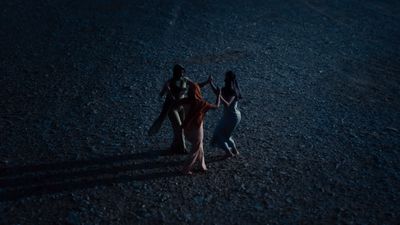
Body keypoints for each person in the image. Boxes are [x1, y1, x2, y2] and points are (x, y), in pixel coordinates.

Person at [148, 64, 211, 155]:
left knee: (181, 128)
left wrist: (207, 82)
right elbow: (161, 94)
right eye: (179, 72)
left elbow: (195, 86)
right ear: (175, 72)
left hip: (181, 107)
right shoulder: (169, 82)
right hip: (172, 108)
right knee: (179, 127)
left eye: (182, 72)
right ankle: (183, 148)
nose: (181, 74)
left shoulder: (186, 80)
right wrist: (167, 91)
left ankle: (174, 146)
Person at [173, 82, 221, 174]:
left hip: (187, 128)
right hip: (197, 129)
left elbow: (175, 104)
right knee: (195, 148)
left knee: (200, 145)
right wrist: (218, 95)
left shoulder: (185, 100)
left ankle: (202, 165)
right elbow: (216, 106)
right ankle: (186, 169)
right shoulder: (202, 103)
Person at [209, 71, 242, 157]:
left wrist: (219, 95)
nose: (224, 79)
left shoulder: (233, 91)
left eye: (226, 78)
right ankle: (234, 151)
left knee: (218, 134)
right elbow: (217, 93)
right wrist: (211, 83)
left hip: (232, 116)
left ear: (230, 80)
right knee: (226, 135)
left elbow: (227, 104)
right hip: (230, 116)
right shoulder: (226, 89)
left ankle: (229, 152)